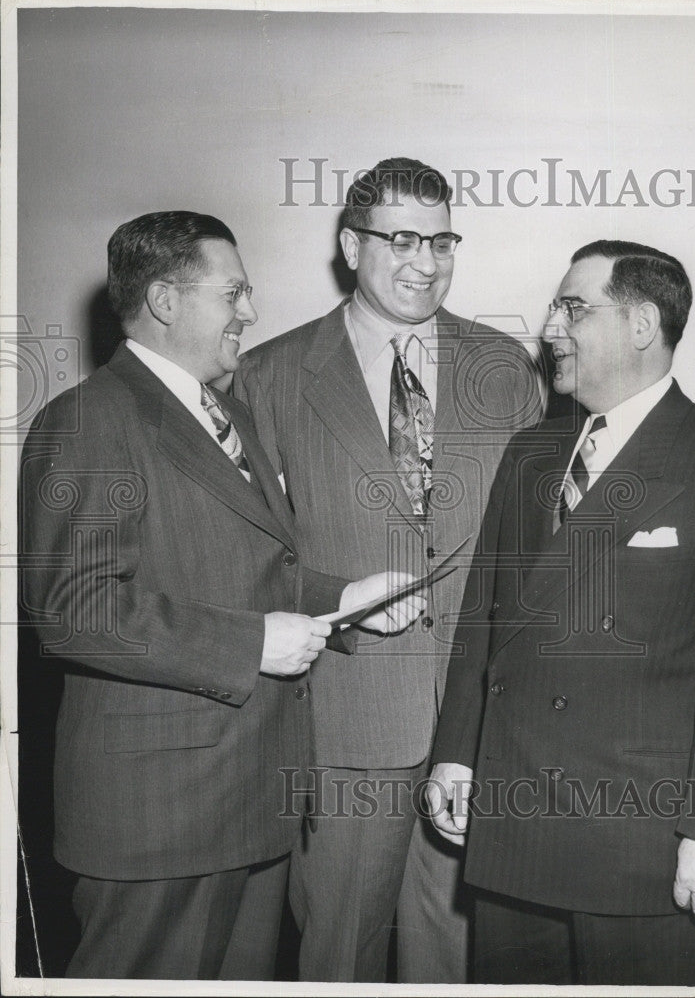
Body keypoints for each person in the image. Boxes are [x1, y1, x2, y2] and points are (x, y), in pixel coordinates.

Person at [18, 210, 423, 980]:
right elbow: (74, 611)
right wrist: (251, 645)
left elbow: (247, 569)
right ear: (166, 301)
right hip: (157, 821)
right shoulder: (88, 421)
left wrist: (347, 594)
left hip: (250, 802)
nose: (252, 311)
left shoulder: (226, 414)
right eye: (233, 292)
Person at [428, 239, 695, 985]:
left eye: (572, 307)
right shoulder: (530, 453)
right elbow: (484, 621)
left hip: (644, 848)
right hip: (514, 832)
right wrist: (456, 754)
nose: (549, 327)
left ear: (640, 324)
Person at [233, 158, 543, 982]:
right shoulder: (269, 376)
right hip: (343, 719)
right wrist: (334, 602)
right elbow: (249, 557)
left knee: (453, 960)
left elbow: (535, 543)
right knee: (338, 950)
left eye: (442, 240)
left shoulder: (504, 366)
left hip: (475, 726)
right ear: (349, 245)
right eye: (402, 238)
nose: (426, 260)